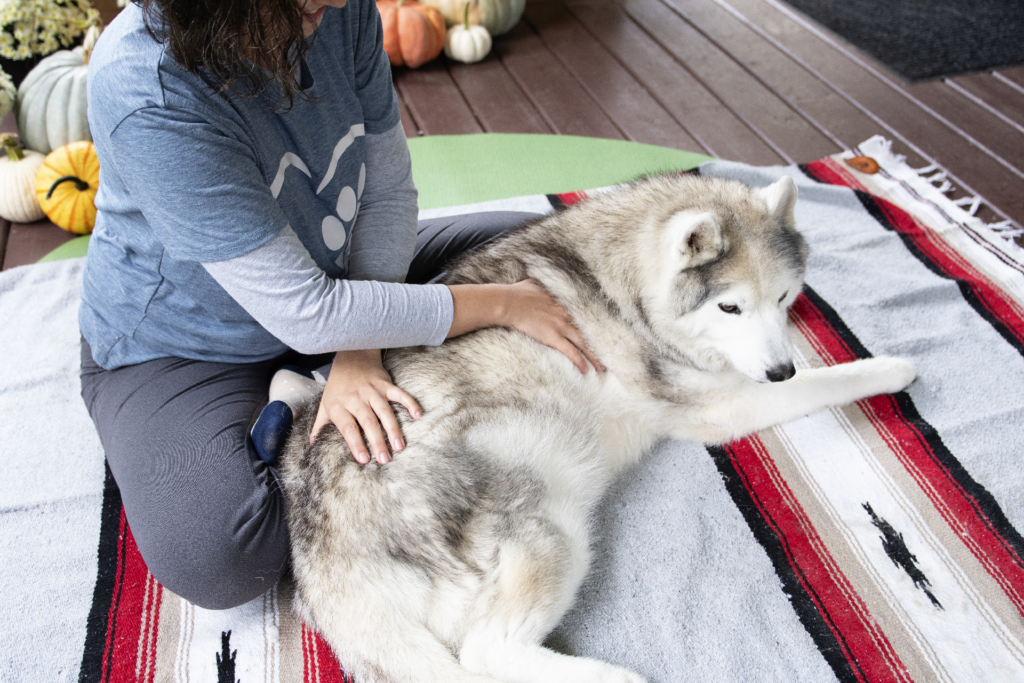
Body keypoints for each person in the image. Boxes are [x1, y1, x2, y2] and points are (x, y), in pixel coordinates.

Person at [79, 0, 600, 610]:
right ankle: (294, 393)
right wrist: (501, 307)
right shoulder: (148, 91)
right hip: (184, 349)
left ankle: (322, 375)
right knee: (221, 557)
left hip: (336, 280)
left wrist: (360, 351)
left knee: (545, 246)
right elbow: (306, 311)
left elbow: (385, 190)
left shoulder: (340, 6)